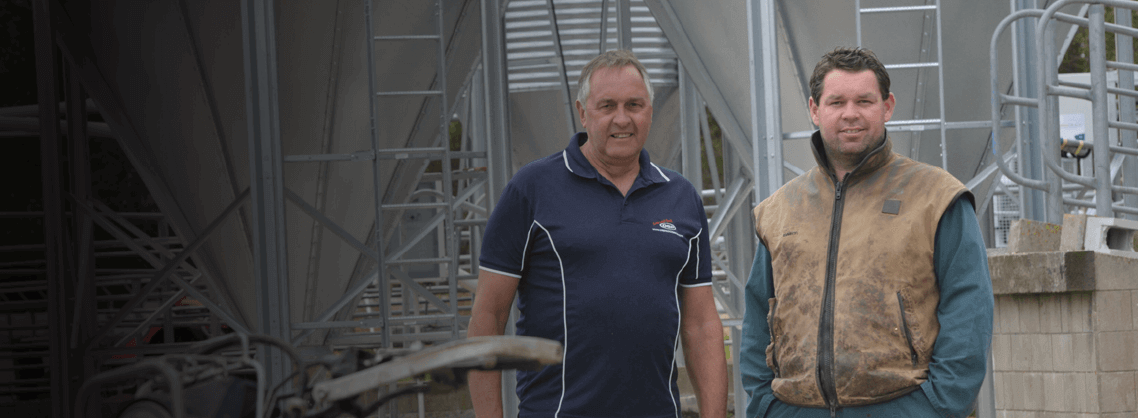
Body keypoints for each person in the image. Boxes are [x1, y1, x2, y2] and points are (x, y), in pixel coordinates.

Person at [468, 50, 728, 418]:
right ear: (583, 112)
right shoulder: (532, 189)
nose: (622, 119)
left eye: (634, 105)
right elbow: (488, 316)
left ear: (650, 110)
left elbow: (701, 325)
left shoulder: (681, 197)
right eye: (607, 106)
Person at [740, 47, 994, 418]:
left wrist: (936, 407)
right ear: (814, 110)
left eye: (864, 101)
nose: (850, 114)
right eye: (836, 102)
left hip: (905, 408)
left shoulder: (935, 197)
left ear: (887, 107)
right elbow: (756, 317)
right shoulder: (779, 210)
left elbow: (969, 310)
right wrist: (766, 406)